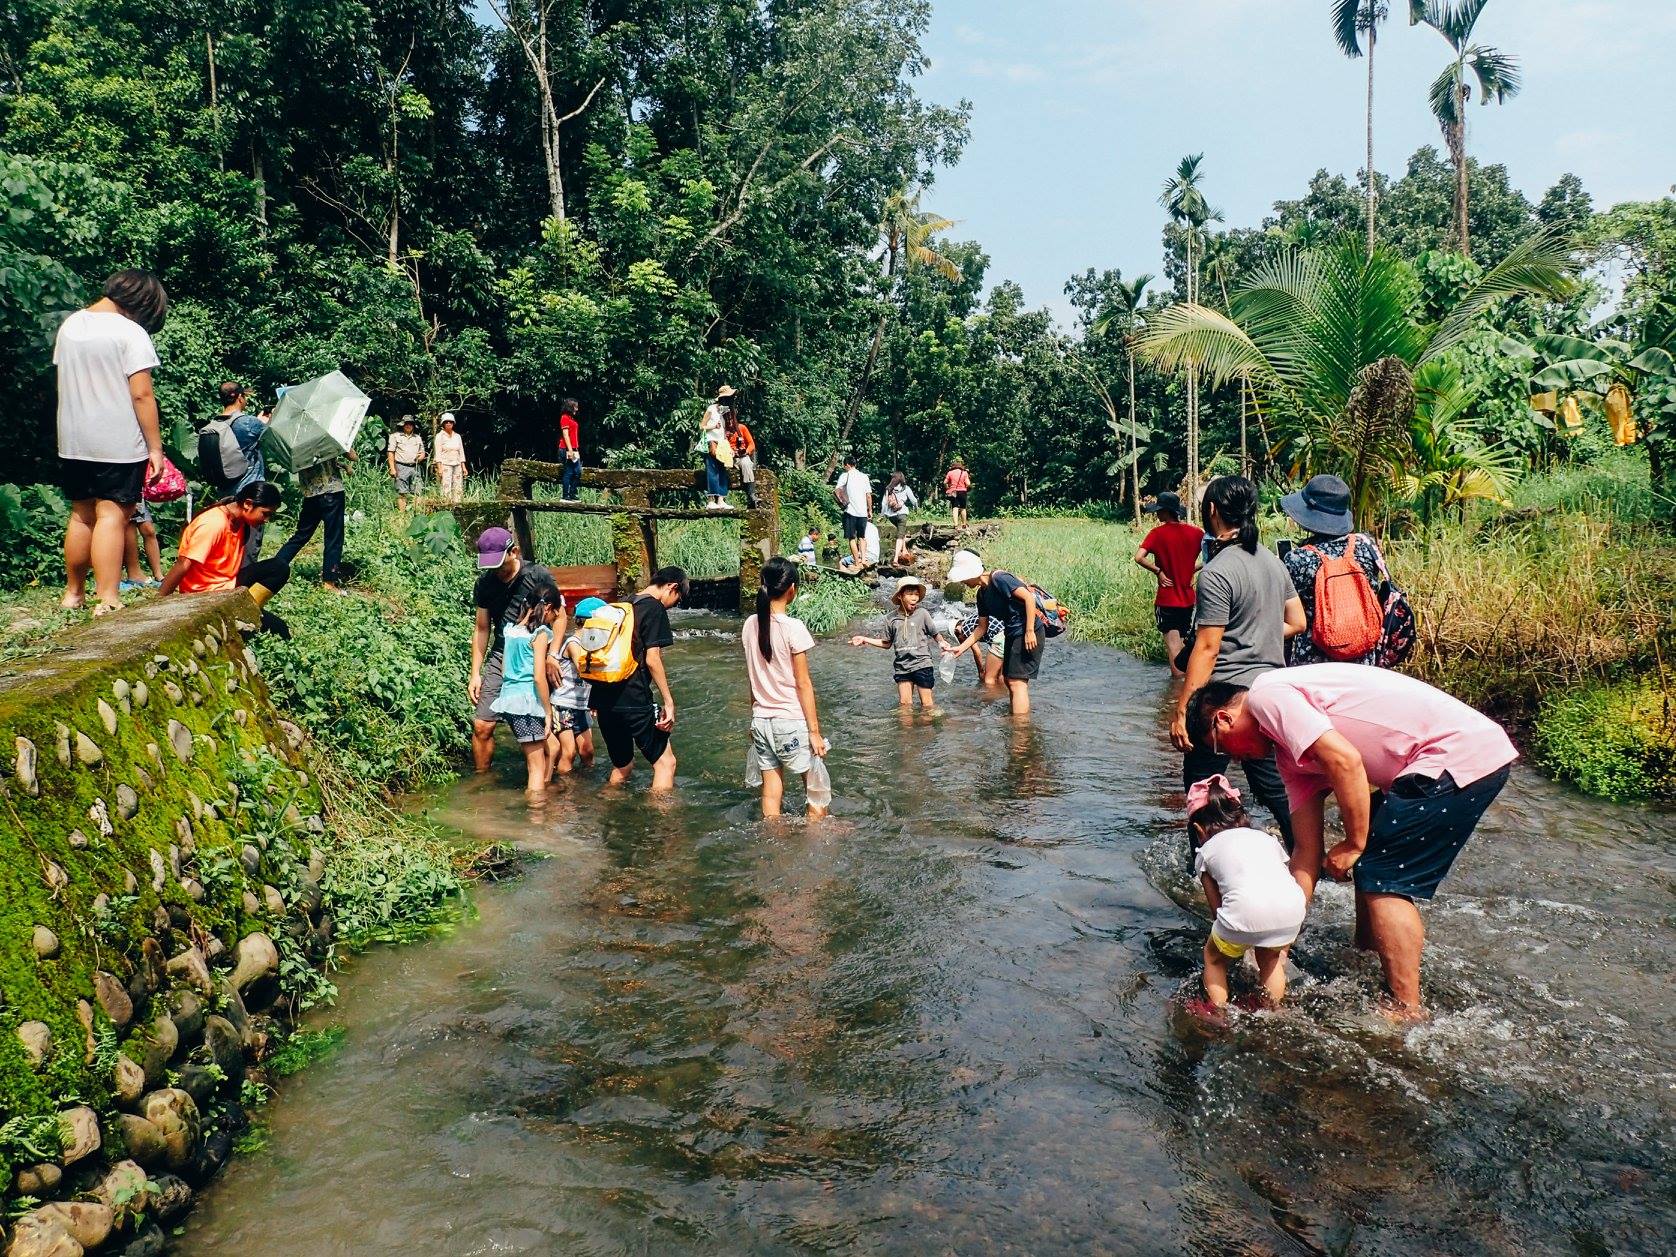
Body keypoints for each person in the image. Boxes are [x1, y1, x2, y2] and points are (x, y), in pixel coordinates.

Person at [1185, 665, 1518, 1015]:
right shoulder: (1290, 758)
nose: (1236, 759)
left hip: (1454, 753)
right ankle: (1366, 952)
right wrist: (1280, 943)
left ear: (1223, 719)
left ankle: (1406, 1009)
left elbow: (1346, 761)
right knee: (1376, 863)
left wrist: (1354, 844)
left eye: (1223, 749)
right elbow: (1305, 851)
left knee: (1382, 876)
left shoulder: (1266, 694)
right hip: (1443, 761)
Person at [1171, 476, 1306, 847]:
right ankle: (1308, 857)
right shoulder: (1273, 563)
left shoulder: (1217, 571)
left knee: (1202, 786)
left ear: (1211, 510)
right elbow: (1298, 622)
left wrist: (1183, 710)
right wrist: (1257, 633)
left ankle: (1202, 864)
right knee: (1275, 788)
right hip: (1267, 694)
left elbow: (1208, 648)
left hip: (1223, 700)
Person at [54, 269, 168, 615]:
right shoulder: (130, 332)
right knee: (112, 516)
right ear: (143, 301)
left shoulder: (70, 326)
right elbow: (142, 394)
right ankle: (108, 598)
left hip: (72, 438)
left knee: (81, 516)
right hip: (116, 440)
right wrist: (155, 448)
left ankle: (73, 593)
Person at [1188, 774, 1306, 1009]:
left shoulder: (1206, 851)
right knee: (1270, 960)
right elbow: (1281, 877)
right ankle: (1272, 1010)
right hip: (1292, 909)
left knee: (1214, 959)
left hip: (1245, 912)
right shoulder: (1266, 838)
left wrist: (1237, 939)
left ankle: (1219, 1012)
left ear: (1199, 829)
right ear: (1242, 816)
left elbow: (1217, 909)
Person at [468, 527, 559, 774]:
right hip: (502, 654)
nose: (495, 570)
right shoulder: (485, 584)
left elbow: (560, 615)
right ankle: (482, 782)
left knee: (543, 726)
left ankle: (550, 782)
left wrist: (553, 655)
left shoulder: (537, 575)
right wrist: (475, 673)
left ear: (514, 552)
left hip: (536, 650)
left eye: (499, 563)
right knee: (482, 726)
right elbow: (482, 627)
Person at [743, 557, 828, 819]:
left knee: (770, 793)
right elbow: (803, 683)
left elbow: (752, 676)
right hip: (789, 720)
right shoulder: (794, 628)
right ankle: (817, 844)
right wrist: (814, 732)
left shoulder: (749, 624)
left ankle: (775, 847)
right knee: (815, 788)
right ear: (792, 588)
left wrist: (754, 716)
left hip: (761, 720)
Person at [1278, 472, 1392, 667]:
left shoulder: (1298, 558)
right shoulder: (1366, 546)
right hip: (1363, 659)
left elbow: (1286, 611)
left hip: (1315, 662)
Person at [591, 567, 688, 790]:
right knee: (666, 763)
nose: (673, 605)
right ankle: (661, 823)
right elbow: (653, 659)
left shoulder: (623, 605)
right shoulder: (654, 608)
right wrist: (669, 702)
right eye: (677, 599)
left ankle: (607, 816)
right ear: (672, 587)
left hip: (604, 697)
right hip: (633, 696)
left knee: (622, 767)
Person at [157, 481, 291, 633]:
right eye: (265, 513)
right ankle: (238, 616)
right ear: (248, 504)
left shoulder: (239, 521)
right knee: (278, 568)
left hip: (227, 586)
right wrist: (158, 603)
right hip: (204, 595)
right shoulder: (213, 523)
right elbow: (183, 564)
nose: (266, 520)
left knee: (281, 628)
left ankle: (242, 612)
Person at [945, 549, 1042, 716]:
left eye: (963, 578)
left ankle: (1021, 728)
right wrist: (960, 649)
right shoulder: (981, 594)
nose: (962, 582)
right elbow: (982, 628)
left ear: (971, 572)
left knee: (1017, 682)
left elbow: (1028, 598)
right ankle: (1016, 720)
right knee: (1010, 681)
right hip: (1011, 633)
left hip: (1027, 631)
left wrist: (1029, 631)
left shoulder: (999, 579)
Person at [492, 588, 563, 798]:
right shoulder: (539, 634)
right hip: (526, 702)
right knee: (536, 767)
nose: (555, 618)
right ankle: (536, 814)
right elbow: (539, 677)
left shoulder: (511, 630)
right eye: (555, 613)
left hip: (508, 699)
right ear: (548, 608)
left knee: (553, 744)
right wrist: (548, 712)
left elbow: (504, 669)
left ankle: (546, 786)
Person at [1134, 491, 1203, 677]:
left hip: (1167, 598)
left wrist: (1158, 571)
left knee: (1173, 645)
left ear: (1165, 512)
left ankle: (1177, 687)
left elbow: (1138, 557)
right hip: (1188, 598)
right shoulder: (1196, 533)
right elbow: (1212, 555)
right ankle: (1189, 681)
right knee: (1182, 641)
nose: (1156, 515)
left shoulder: (1157, 534)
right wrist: (1192, 570)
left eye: (1158, 511)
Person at [850, 574, 941, 711]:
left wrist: (943, 643)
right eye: (910, 594)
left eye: (916, 594)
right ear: (900, 596)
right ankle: (908, 733)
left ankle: (927, 730)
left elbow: (936, 634)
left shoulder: (922, 614)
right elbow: (886, 643)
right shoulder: (890, 619)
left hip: (922, 664)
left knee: (927, 705)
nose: (914, 597)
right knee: (905, 706)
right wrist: (865, 639)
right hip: (902, 666)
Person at [274, 449, 357, 592]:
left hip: (310, 495)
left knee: (301, 535)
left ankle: (273, 567)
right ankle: (329, 581)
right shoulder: (327, 437)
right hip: (332, 492)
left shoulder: (298, 443)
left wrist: (342, 465)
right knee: (333, 537)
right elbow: (353, 457)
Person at [211, 382, 272, 566]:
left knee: (231, 543)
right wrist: (266, 421)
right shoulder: (248, 423)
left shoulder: (216, 422)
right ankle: (243, 587)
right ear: (239, 397)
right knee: (250, 546)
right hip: (250, 493)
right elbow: (272, 437)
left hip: (226, 493)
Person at [548, 596, 600, 776]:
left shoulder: (594, 645)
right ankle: (565, 792)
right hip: (563, 704)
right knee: (568, 752)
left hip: (582, 706)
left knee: (587, 751)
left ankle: (585, 787)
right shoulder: (573, 643)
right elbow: (583, 668)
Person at [836, 453, 872, 568]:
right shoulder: (864, 477)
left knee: (852, 538)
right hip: (862, 512)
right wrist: (869, 510)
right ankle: (864, 560)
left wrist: (842, 503)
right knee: (862, 537)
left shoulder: (845, 476)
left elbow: (837, 490)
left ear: (847, 465)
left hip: (850, 511)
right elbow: (868, 495)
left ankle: (856, 562)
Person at [700, 387, 734, 509]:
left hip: (722, 443)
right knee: (712, 470)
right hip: (712, 442)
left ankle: (721, 499)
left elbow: (726, 430)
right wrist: (713, 426)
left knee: (722, 471)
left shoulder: (725, 411)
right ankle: (711, 500)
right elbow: (702, 426)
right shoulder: (711, 409)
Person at [121, 501, 164, 591]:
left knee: (148, 529)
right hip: (125, 494)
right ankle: (134, 575)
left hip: (138, 493)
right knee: (129, 525)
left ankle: (158, 575)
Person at [953, 610, 1005, 686]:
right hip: (1007, 634)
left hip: (999, 638)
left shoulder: (965, 629)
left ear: (957, 630)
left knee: (989, 680)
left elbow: (977, 653)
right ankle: (1004, 696)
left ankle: (992, 697)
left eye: (958, 638)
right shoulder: (972, 620)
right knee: (1001, 676)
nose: (961, 640)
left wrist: (981, 672)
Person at [387, 415, 426, 509]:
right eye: (406, 424)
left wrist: (420, 457)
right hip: (401, 466)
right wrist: (392, 468)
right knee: (401, 491)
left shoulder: (417, 438)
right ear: (403, 425)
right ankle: (402, 514)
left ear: (413, 426)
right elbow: (390, 453)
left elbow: (423, 452)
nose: (408, 426)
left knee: (418, 490)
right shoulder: (395, 436)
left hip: (415, 467)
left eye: (410, 424)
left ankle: (417, 513)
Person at [724, 406, 759, 509]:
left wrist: (745, 451)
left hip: (741, 457)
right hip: (728, 457)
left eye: (731, 419)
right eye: (727, 419)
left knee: (746, 463)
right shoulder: (722, 431)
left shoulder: (742, 428)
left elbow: (751, 444)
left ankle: (751, 495)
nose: (729, 422)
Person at [880, 472, 918, 564]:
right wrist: (916, 507)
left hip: (891, 516)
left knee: (901, 532)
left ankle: (904, 550)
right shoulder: (905, 488)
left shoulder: (888, 489)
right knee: (900, 536)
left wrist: (882, 515)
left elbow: (884, 503)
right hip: (902, 514)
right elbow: (914, 500)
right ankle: (896, 559)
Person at [434, 413, 467, 502]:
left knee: (458, 486)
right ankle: (446, 505)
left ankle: (457, 505)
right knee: (446, 486)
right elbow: (438, 453)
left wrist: (463, 467)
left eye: (450, 422)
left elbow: (461, 452)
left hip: (457, 464)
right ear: (443, 424)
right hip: (445, 464)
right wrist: (439, 468)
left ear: (453, 423)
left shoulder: (457, 436)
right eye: (446, 422)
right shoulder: (439, 436)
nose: (448, 423)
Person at [557, 398, 582, 500]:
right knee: (569, 472)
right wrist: (570, 450)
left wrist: (575, 449)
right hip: (566, 449)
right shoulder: (564, 418)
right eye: (575, 406)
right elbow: (566, 435)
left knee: (577, 472)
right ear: (570, 407)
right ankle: (565, 496)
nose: (577, 409)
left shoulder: (571, 418)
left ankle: (572, 494)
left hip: (574, 449)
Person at [943, 457, 971, 528]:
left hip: (953, 492)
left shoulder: (950, 472)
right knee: (963, 508)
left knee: (955, 507)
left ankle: (955, 525)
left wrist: (948, 487)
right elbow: (968, 483)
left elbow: (945, 482)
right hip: (962, 491)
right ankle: (964, 524)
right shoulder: (964, 473)